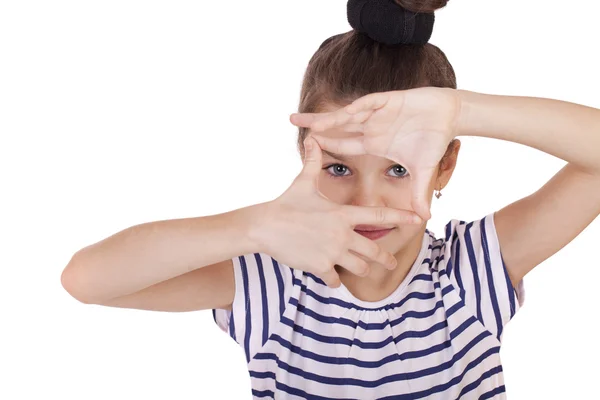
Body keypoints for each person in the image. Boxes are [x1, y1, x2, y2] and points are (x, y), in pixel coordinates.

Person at [60, 0, 600, 398]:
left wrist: (460, 111)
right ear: (304, 157)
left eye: (397, 168)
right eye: (339, 167)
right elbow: (86, 279)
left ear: (446, 165)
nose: (366, 199)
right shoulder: (270, 283)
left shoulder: (471, 273)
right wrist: (255, 227)